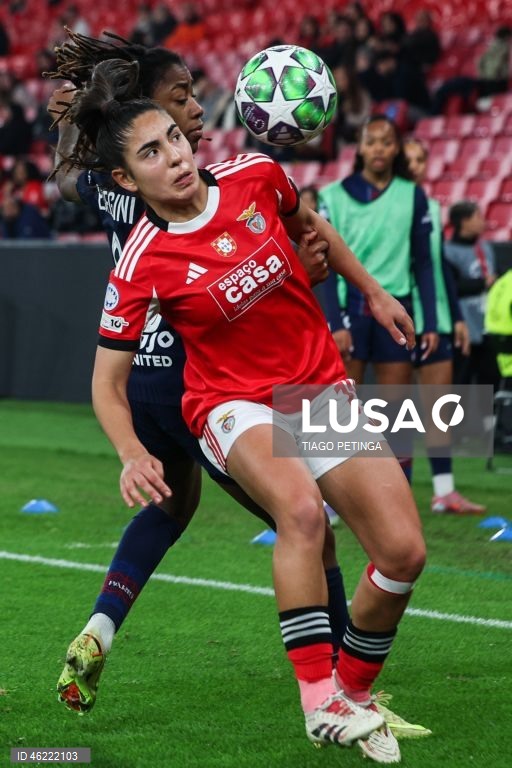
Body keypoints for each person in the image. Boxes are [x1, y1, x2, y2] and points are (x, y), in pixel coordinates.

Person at [64, 57, 429, 759]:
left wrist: (375, 294)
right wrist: (132, 451)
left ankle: (351, 695)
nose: (173, 155)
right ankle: (317, 700)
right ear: (124, 180)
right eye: (150, 153)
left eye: (173, 138)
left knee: (404, 553)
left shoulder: (254, 175)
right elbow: (105, 384)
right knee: (298, 512)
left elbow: (311, 223)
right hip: (229, 404)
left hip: (318, 387)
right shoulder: (141, 260)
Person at [47, 29, 350, 714]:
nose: (193, 114)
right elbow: (222, 269)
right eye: (179, 101)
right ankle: (341, 683)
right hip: (199, 378)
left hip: (143, 372)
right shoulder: (192, 188)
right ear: (142, 120)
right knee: (307, 522)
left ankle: (99, 627)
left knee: (172, 505)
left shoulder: (109, 179)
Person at [319, 115, 438, 482]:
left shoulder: (413, 194)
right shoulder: (333, 196)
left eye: (386, 142)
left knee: (396, 407)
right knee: (340, 407)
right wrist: (335, 322)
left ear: (397, 148)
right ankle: (333, 497)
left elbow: (423, 263)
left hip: (396, 307)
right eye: (371, 141)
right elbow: (322, 262)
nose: (379, 149)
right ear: (359, 147)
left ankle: (395, 487)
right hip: (350, 307)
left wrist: (430, 320)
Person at [404, 138, 486, 514]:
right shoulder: (379, 207)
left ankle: (444, 491)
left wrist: (455, 318)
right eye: (410, 159)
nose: (417, 165)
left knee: (440, 408)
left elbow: (438, 268)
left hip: (434, 317)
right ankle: (354, 497)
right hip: (399, 316)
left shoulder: (432, 208)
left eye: (421, 159)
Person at [444, 200, 501, 391]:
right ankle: (458, 421)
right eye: (478, 216)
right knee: (461, 382)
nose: (483, 222)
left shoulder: (485, 248)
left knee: (491, 379)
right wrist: (482, 283)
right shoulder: (447, 252)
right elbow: (450, 287)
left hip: (489, 326)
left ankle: (489, 420)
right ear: (464, 221)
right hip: (464, 327)